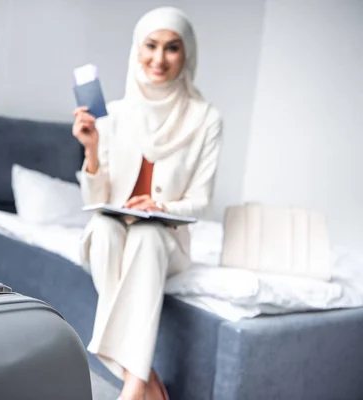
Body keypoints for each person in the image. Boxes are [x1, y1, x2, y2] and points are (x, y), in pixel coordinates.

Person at [72, 7, 223, 400]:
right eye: (151, 46)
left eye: (172, 48)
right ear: (137, 50)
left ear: (187, 54)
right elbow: (97, 200)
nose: (159, 59)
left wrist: (160, 207)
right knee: (103, 229)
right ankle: (147, 382)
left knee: (147, 236)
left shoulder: (206, 119)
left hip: (167, 241)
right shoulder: (114, 115)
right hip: (116, 231)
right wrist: (90, 151)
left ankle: (133, 387)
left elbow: (200, 203)